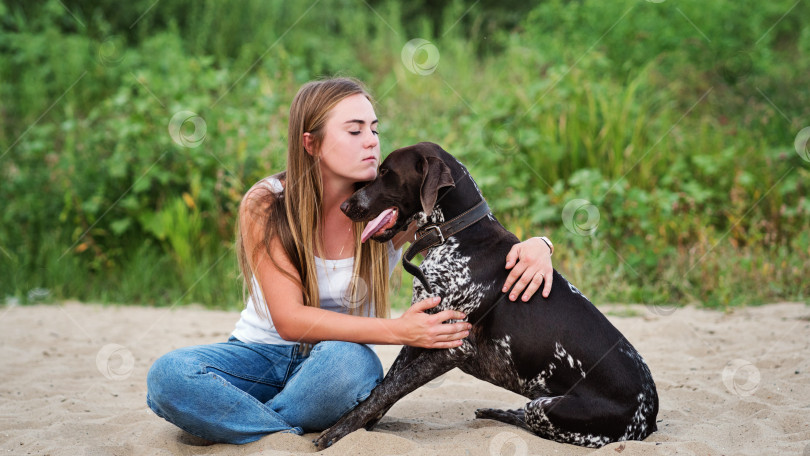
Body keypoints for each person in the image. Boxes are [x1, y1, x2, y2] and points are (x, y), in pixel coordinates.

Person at [146, 77, 555, 444]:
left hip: (336, 365)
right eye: (355, 130)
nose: (372, 141)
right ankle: (286, 429)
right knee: (169, 376)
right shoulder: (268, 202)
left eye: (374, 129)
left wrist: (541, 243)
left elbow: (478, 228)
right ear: (312, 144)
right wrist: (401, 331)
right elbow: (289, 320)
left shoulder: (395, 204)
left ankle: (239, 421)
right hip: (259, 354)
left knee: (351, 365)